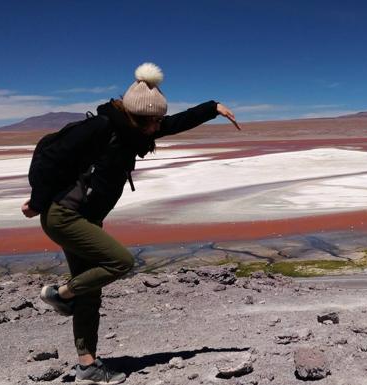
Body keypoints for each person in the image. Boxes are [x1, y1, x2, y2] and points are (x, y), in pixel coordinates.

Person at [21, 62, 240, 384]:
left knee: (90, 292)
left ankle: (88, 366)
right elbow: (49, 157)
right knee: (120, 261)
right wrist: (37, 201)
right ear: (140, 117)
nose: (158, 128)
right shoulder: (99, 129)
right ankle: (60, 294)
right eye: (155, 122)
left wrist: (213, 108)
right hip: (65, 215)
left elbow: (176, 122)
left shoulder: (133, 132)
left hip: (86, 218)